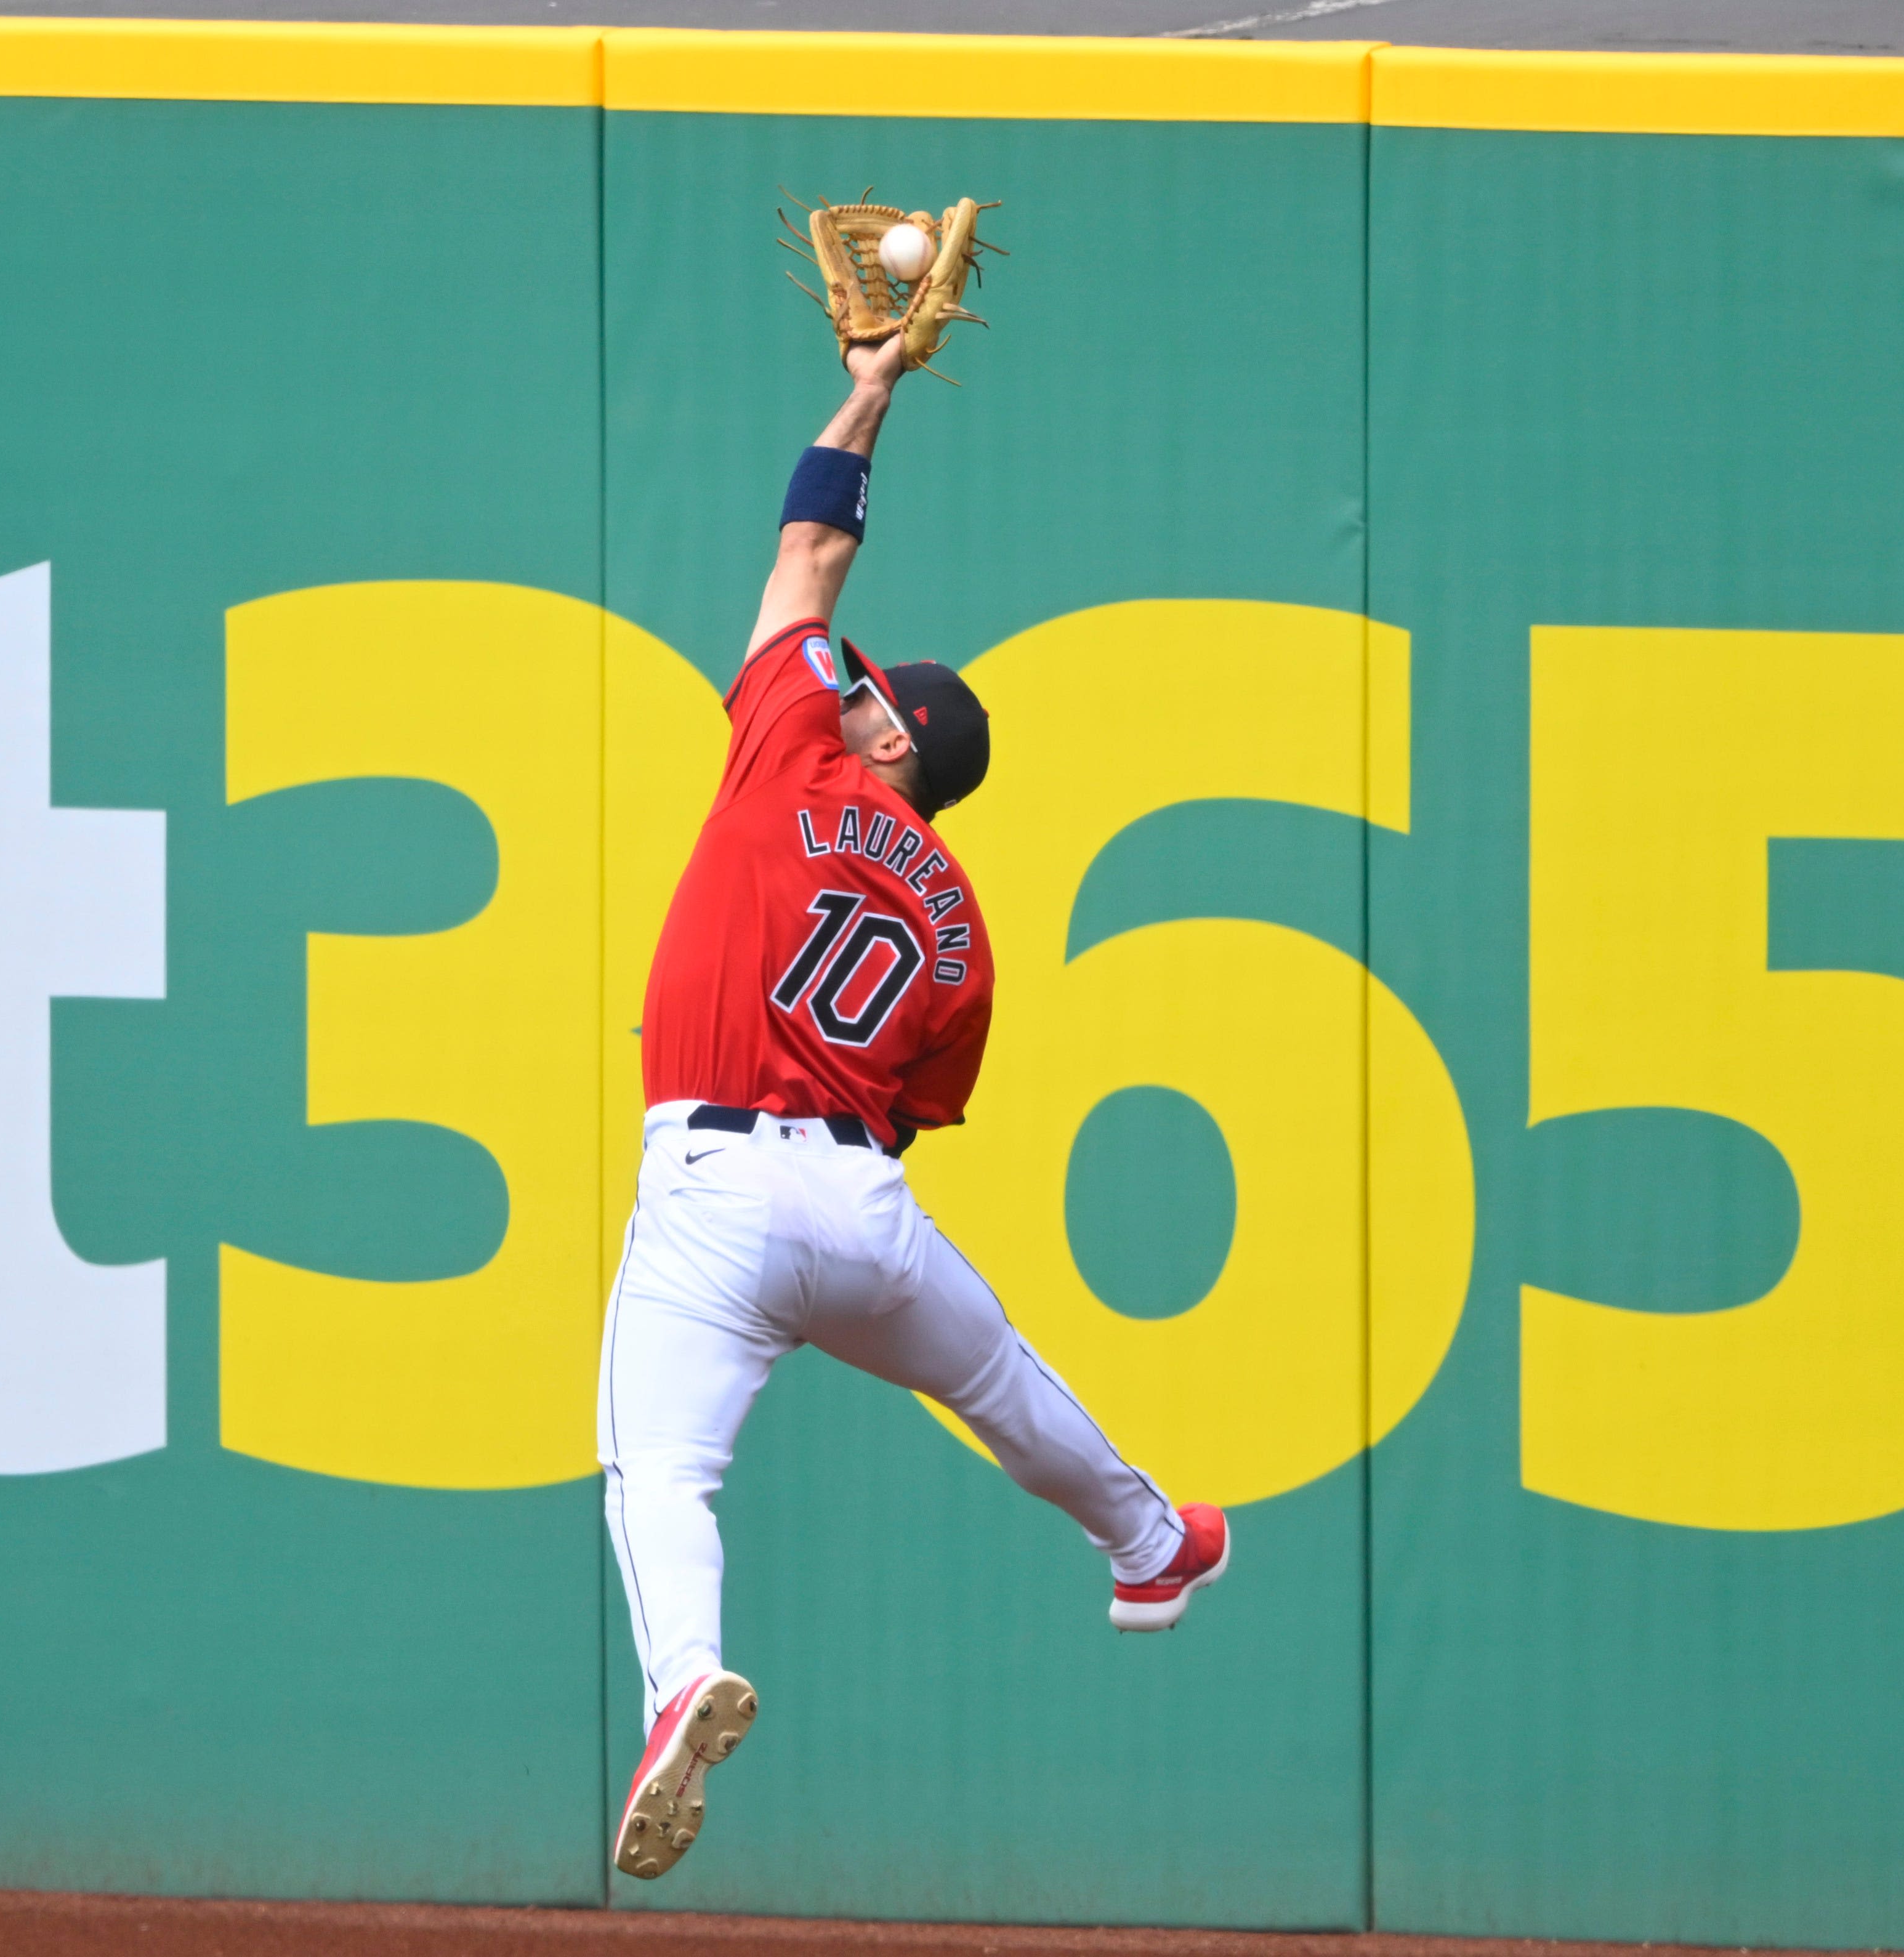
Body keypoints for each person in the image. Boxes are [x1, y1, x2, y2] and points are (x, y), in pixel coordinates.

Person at [600, 331, 1230, 1882]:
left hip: (714, 1190)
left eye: (870, 695)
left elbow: (808, 547)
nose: (852, 683)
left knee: (663, 1472)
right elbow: (904, 1104)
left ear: (887, 739)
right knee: (995, 1374)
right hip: (861, 1209)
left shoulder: (788, 756)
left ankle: (684, 1673)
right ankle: (1151, 1541)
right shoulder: (960, 921)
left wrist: (868, 390)